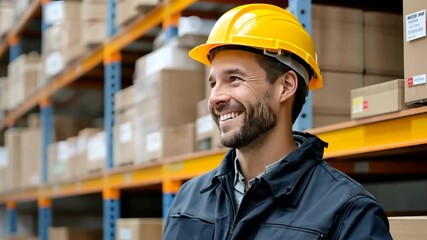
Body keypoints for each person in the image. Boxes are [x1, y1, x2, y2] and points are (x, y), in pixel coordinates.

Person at [163, 3, 392, 240]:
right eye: (213, 83)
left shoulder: (348, 213)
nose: (216, 97)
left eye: (234, 79)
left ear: (285, 86)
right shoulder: (188, 200)